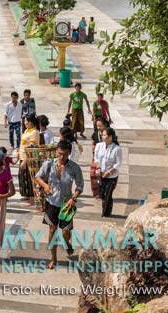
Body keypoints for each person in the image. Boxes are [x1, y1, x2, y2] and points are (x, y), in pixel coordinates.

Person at [34, 139, 84, 269]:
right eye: (60, 153)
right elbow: (37, 176)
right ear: (57, 151)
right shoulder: (48, 164)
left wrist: (73, 198)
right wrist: (45, 185)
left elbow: (80, 186)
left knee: (65, 232)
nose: (62, 157)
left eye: (65, 154)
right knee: (52, 230)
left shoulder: (74, 168)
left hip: (66, 204)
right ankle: (53, 258)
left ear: (69, 153)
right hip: (51, 202)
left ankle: (67, 243)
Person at [97, 127, 122, 217]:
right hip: (101, 174)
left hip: (111, 176)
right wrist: (98, 168)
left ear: (110, 137)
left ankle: (105, 213)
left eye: (104, 135)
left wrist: (109, 172)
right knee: (102, 194)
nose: (102, 136)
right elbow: (96, 158)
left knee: (108, 193)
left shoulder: (117, 149)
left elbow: (118, 164)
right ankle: (107, 210)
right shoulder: (99, 146)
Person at [18, 114, 40, 206]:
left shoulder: (34, 132)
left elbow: (32, 148)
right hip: (22, 157)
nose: (24, 122)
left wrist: (25, 161)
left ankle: (31, 198)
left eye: (26, 121)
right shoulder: (27, 130)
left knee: (29, 178)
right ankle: (27, 194)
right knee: (23, 177)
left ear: (31, 122)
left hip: (29, 159)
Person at [89, 118, 109, 199]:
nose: (98, 127)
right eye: (97, 126)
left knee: (103, 175)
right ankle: (96, 192)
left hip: (106, 158)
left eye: (100, 126)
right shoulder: (95, 134)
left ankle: (104, 192)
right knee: (93, 173)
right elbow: (93, 143)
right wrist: (93, 147)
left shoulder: (109, 134)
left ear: (105, 125)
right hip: (96, 157)